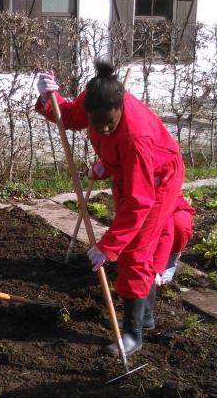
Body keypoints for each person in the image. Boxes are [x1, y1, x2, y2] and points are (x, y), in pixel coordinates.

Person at [35, 60, 194, 357]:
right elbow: (71, 116)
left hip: (158, 181)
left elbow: (139, 201)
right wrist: (49, 98)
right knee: (136, 246)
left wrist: (108, 246)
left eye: (110, 122)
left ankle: (133, 334)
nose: (103, 129)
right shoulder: (95, 99)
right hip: (129, 174)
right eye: (97, 124)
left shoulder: (137, 137)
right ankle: (145, 317)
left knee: (134, 251)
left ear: (121, 107)